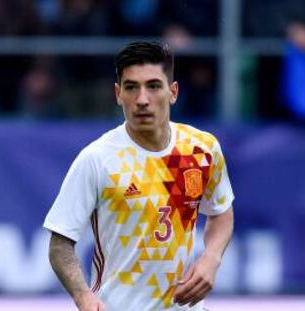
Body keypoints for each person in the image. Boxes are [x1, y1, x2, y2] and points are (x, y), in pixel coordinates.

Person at [43, 41, 234, 310]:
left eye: (154, 86)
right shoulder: (97, 159)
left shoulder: (202, 150)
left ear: (173, 92)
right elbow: (60, 244)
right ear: (118, 94)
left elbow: (221, 212)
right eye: (132, 87)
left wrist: (211, 258)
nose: (142, 99)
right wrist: (82, 295)